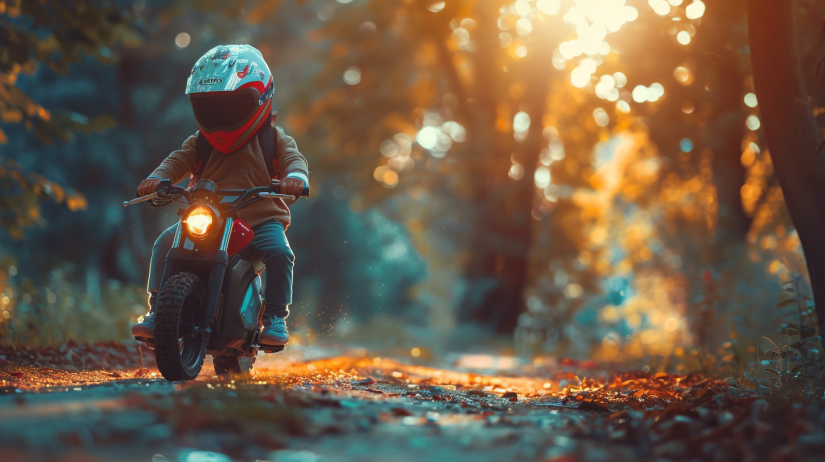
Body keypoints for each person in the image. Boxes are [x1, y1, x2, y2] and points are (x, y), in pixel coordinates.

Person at [130, 44, 308, 346]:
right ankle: (158, 309)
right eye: (211, 107)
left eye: (233, 106)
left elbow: (294, 160)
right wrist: (157, 178)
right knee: (164, 244)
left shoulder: (273, 138)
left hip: (260, 219)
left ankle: (275, 316)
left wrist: (295, 178)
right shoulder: (200, 142)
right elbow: (176, 161)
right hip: (207, 216)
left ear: (260, 99)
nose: (222, 116)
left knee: (280, 252)